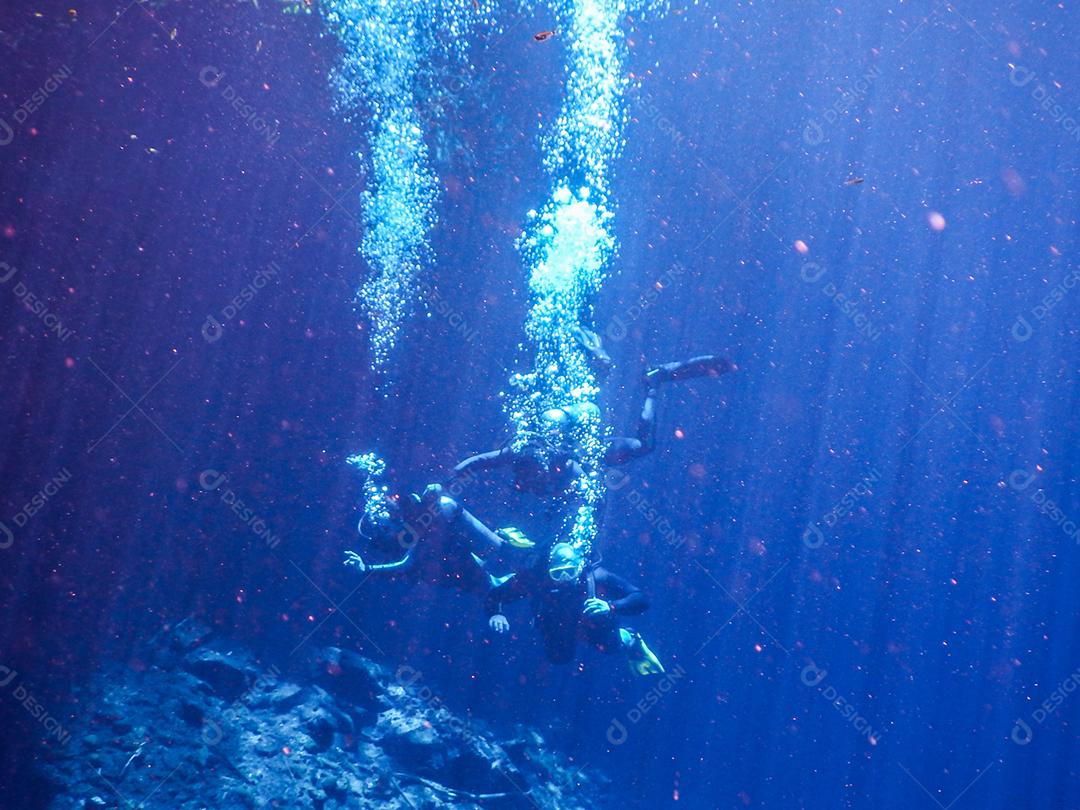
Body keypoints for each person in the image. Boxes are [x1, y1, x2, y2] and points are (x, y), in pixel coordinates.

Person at [454, 354, 736, 493]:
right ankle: (651, 382)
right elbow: (477, 462)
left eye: (531, 480)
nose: (534, 483)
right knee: (643, 445)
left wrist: (453, 478)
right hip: (579, 437)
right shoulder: (524, 459)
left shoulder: (531, 456)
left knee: (639, 444)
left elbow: (479, 461)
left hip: (580, 427)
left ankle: (648, 380)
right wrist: (459, 473)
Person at [486, 542, 664, 675]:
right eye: (558, 573)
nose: (563, 579)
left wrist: (611, 607)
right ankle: (509, 578)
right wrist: (496, 613)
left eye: (569, 571)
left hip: (590, 625)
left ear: (579, 568)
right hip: (557, 624)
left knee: (610, 646)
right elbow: (494, 596)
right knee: (558, 658)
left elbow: (641, 600)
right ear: (549, 570)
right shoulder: (537, 580)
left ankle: (631, 639)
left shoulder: (596, 577)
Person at [343, 483, 534, 594]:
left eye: (389, 524)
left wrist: (367, 569)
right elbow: (407, 564)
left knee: (496, 575)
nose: (393, 528)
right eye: (386, 530)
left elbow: (408, 564)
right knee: (494, 582)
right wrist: (366, 569)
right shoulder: (416, 538)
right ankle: (508, 553)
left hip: (481, 553)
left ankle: (508, 549)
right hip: (474, 558)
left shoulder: (435, 511)